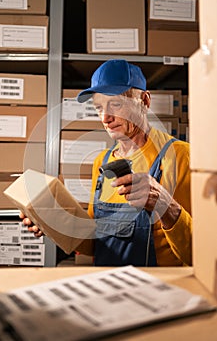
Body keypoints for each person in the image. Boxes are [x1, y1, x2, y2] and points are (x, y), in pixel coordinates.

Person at [21, 59, 192, 267]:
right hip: (109, 288)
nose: (105, 117)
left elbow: (201, 253)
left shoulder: (181, 156)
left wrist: (166, 205)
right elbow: (94, 243)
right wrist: (53, 224)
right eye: (99, 108)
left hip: (161, 291)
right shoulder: (101, 163)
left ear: (145, 101)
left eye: (116, 104)